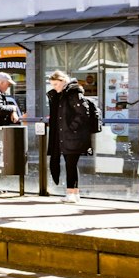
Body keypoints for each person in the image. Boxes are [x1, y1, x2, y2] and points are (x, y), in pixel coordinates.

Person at [46, 70, 98, 204]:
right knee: (71, 165)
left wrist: (71, 128)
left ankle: (71, 194)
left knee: (70, 164)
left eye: (56, 84)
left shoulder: (73, 93)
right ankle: (74, 193)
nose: (54, 87)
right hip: (67, 135)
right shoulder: (63, 95)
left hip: (72, 136)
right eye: (52, 85)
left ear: (63, 81)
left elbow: (83, 113)